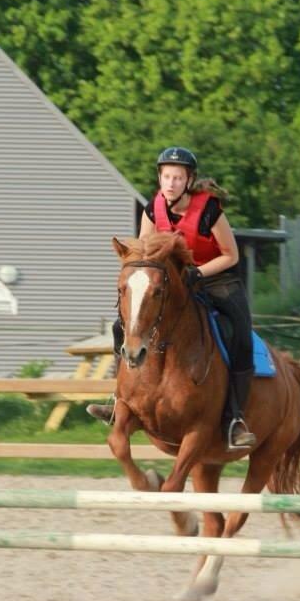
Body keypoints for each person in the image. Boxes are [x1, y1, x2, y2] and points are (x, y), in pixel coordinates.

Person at [88, 146, 257, 450]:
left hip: (217, 278)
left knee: (241, 335)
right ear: (160, 178)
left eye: (178, 178)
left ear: (188, 180)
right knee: (120, 327)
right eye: (166, 176)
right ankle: (118, 401)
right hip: (173, 284)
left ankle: (235, 418)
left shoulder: (209, 211)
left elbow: (230, 255)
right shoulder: (153, 209)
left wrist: (199, 274)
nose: (171, 183)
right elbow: (143, 253)